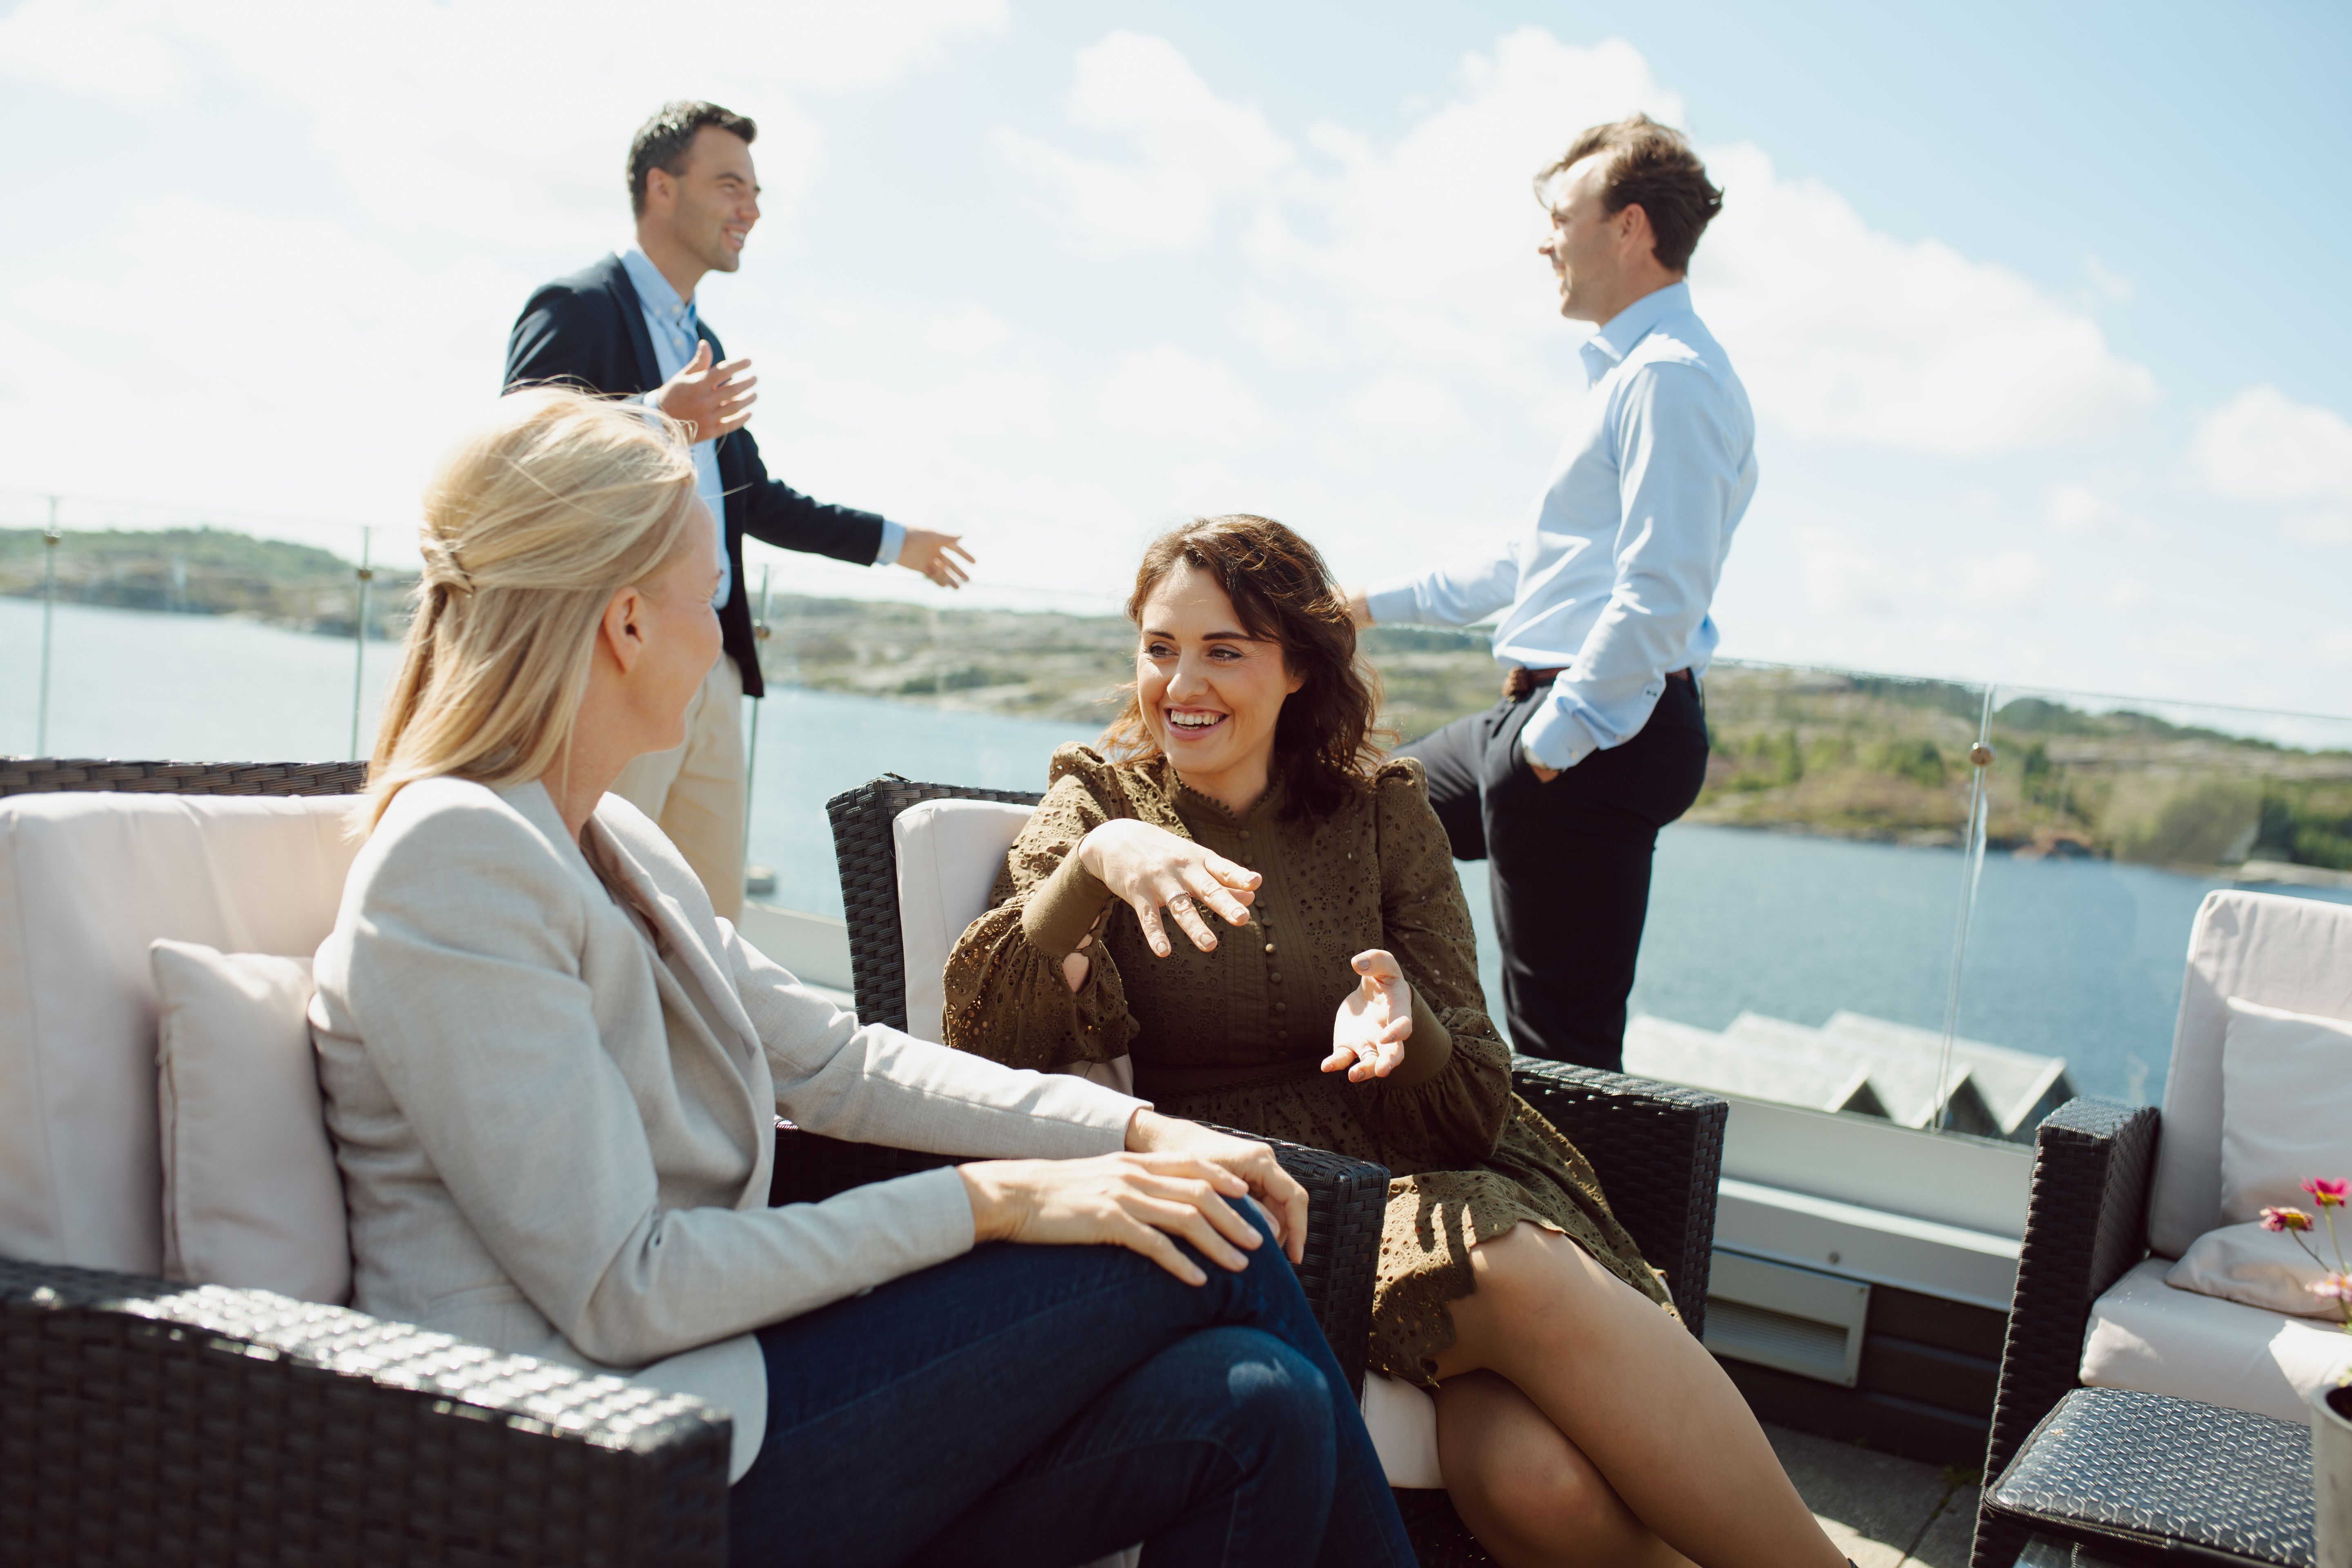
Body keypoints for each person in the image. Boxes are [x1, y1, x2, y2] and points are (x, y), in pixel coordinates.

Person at [310, 393, 1414, 1568]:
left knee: (1259, 1408)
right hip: (592, 1469)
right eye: (712, 600)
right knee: (1222, 1233)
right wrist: (1001, 1201)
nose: (724, 636)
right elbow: (622, 1288)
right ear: (626, 623)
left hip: (721, 1393)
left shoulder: (611, 844)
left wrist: (1140, 1133)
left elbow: (837, 1064)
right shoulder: (458, 860)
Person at [943, 515, 1845, 1568]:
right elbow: (987, 1045)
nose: (1181, 684)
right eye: (1160, 648)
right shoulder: (1097, 805)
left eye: (1224, 651)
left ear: (1299, 668)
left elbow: (1475, 1107)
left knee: (1530, 1480)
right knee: (1512, 1270)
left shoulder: (1384, 814)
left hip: (1429, 1160)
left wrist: (1408, 1028)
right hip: (1264, 1199)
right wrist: (1095, 866)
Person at [1343, 114, 1756, 1071]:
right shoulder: (1630, 376)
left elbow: (1661, 594)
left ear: (1630, 228)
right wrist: (1362, 605)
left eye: (1563, 218)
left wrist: (1552, 745)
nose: (1546, 242)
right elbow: (1529, 562)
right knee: (1346, 815)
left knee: (1562, 1051)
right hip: (1544, 724)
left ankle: (1557, 1172)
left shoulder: (1671, 380)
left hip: (1594, 734)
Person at [503, 100, 974, 922]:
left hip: (712, 666)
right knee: (592, 908)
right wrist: (657, 416)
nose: (751, 210)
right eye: (730, 186)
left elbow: (752, 499)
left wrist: (898, 543)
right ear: (661, 188)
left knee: (711, 925)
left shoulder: (704, 342)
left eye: (755, 192)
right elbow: (515, 458)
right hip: (614, 659)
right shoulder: (576, 306)